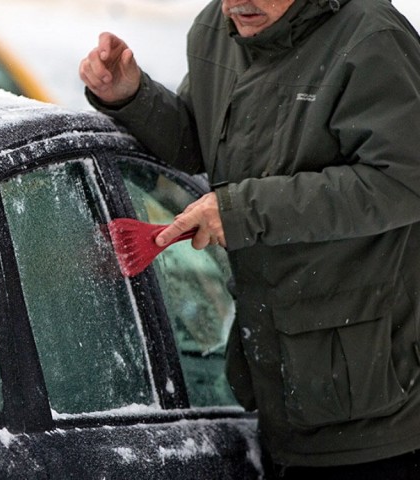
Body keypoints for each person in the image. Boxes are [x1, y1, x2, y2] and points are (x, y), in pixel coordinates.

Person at [80, 0, 420, 478]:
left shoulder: (372, 39)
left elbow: (403, 180)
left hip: (376, 407)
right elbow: (200, 144)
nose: (238, 1)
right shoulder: (216, 31)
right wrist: (131, 96)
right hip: (276, 384)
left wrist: (242, 211)